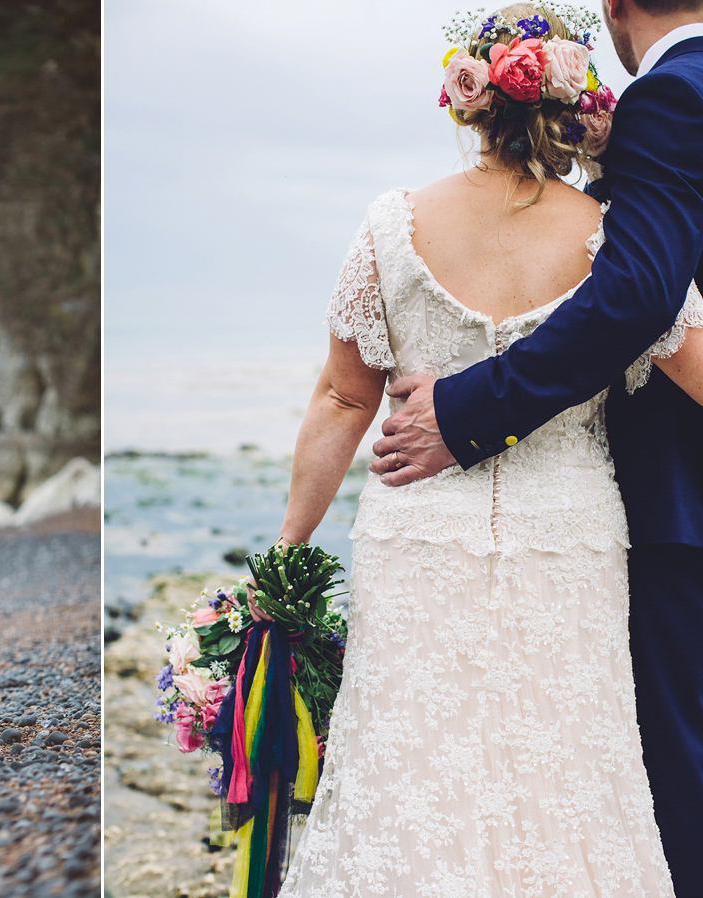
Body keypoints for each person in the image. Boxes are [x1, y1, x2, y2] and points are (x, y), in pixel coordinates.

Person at [254, 4, 703, 892]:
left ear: (465, 102)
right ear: (574, 105)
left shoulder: (392, 226)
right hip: (568, 541)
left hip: (416, 535)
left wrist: (285, 558)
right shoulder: (611, 235)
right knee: (569, 774)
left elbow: (344, 397)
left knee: (410, 762)